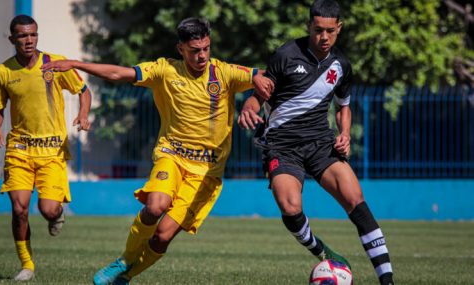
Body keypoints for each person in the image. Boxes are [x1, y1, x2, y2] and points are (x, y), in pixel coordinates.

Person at [42, 17, 273, 285]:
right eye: (195, 50)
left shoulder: (224, 72)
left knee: (163, 236)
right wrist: (77, 64)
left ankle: (126, 276)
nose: (202, 55)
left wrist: (252, 103)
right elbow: (119, 73)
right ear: (181, 49)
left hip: (207, 173)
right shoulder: (165, 70)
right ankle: (126, 259)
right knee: (155, 206)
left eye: (206, 48)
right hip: (171, 156)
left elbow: (266, 77)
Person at [238, 1, 394, 284]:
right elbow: (259, 94)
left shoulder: (342, 65)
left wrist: (344, 134)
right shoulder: (286, 54)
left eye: (330, 31)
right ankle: (322, 251)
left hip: (321, 144)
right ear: (309, 26)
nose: (324, 37)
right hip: (283, 146)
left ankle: (387, 280)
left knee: (355, 200)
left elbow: (343, 106)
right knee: (290, 207)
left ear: (339, 29)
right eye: (318, 30)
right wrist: (250, 106)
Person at [0, 15, 92, 281]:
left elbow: (84, 90)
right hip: (19, 150)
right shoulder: (2, 72)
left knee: (47, 209)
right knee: (19, 208)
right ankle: (27, 265)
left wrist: (83, 114)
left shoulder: (54, 64)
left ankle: (56, 215)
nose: (29, 40)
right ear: (12, 39)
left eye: (33, 35)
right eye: (22, 36)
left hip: (52, 152)